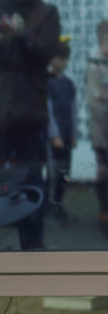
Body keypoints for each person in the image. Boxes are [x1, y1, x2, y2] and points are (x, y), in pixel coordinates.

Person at [0, 0, 61, 249]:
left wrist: (22, 34)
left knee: (31, 181)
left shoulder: (46, 12)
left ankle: (32, 245)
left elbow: (47, 53)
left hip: (30, 111)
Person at [47, 37, 77, 218]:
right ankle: (51, 205)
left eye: (65, 58)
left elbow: (73, 109)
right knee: (54, 172)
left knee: (66, 172)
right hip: (54, 137)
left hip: (66, 134)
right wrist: (55, 134)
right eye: (59, 57)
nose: (63, 62)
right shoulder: (47, 82)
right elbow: (48, 110)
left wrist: (73, 133)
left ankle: (60, 203)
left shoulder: (68, 83)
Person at [87, 20, 108, 235]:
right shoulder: (95, 65)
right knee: (103, 171)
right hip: (102, 130)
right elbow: (94, 98)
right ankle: (104, 212)